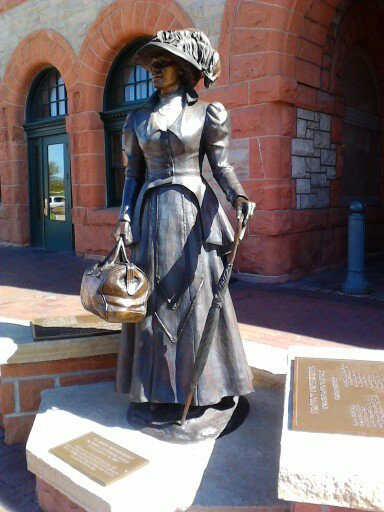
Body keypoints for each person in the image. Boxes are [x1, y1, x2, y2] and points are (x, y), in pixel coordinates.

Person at [113, 29, 255, 415]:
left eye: (163, 64)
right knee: (153, 301)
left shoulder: (205, 114)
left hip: (194, 219)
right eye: (152, 65)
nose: (155, 71)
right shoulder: (137, 119)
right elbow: (132, 177)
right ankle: (157, 392)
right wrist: (125, 218)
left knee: (200, 298)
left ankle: (209, 387)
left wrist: (238, 197)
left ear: (184, 69)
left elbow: (221, 166)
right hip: (151, 218)